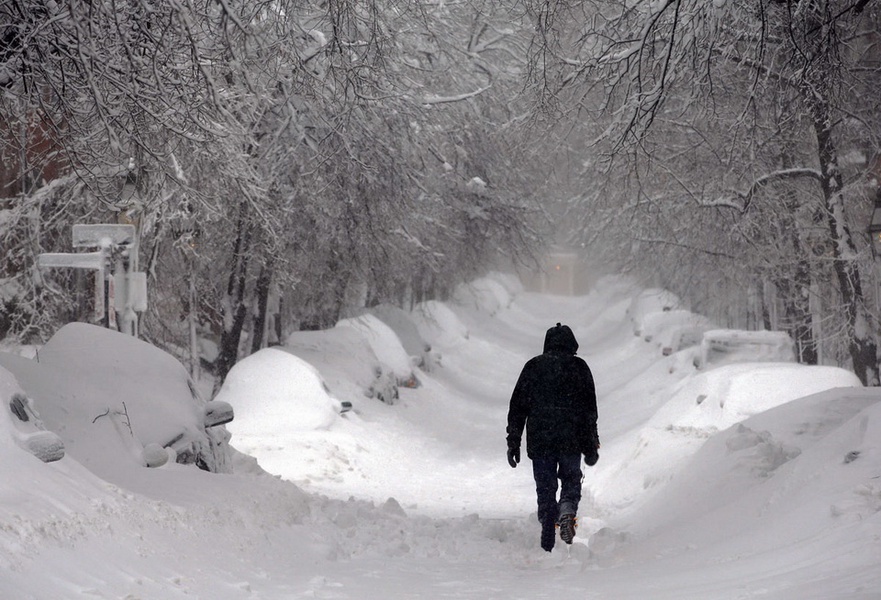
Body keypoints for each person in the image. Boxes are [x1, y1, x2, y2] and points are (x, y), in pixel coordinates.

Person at [506, 322, 599, 552]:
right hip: (571, 438)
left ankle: (548, 518)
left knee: (545, 486)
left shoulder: (533, 367)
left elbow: (518, 407)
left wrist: (513, 441)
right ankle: (566, 510)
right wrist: (590, 444)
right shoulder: (579, 368)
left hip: (541, 439)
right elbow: (589, 410)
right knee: (570, 479)